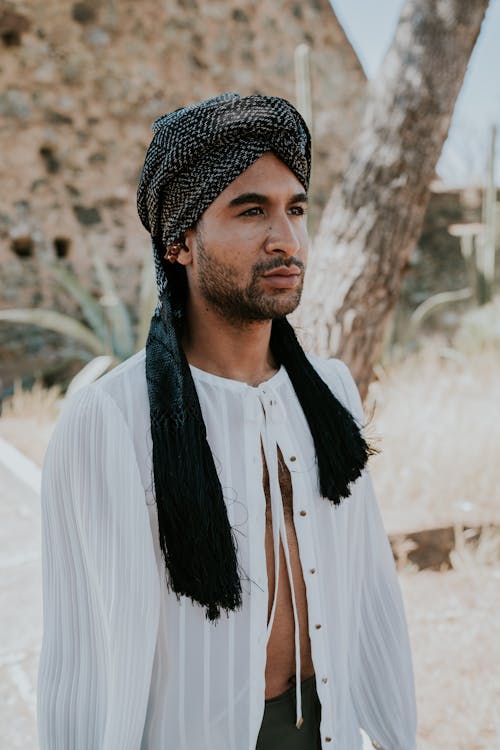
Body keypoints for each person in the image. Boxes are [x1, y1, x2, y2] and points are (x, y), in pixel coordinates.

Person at [37, 93, 417, 750]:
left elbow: (370, 591)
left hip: (330, 730)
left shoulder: (329, 392)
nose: (286, 238)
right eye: (251, 211)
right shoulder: (109, 420)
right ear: (180, 241)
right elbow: (84, 660)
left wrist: (394, 735)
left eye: (295, 209)